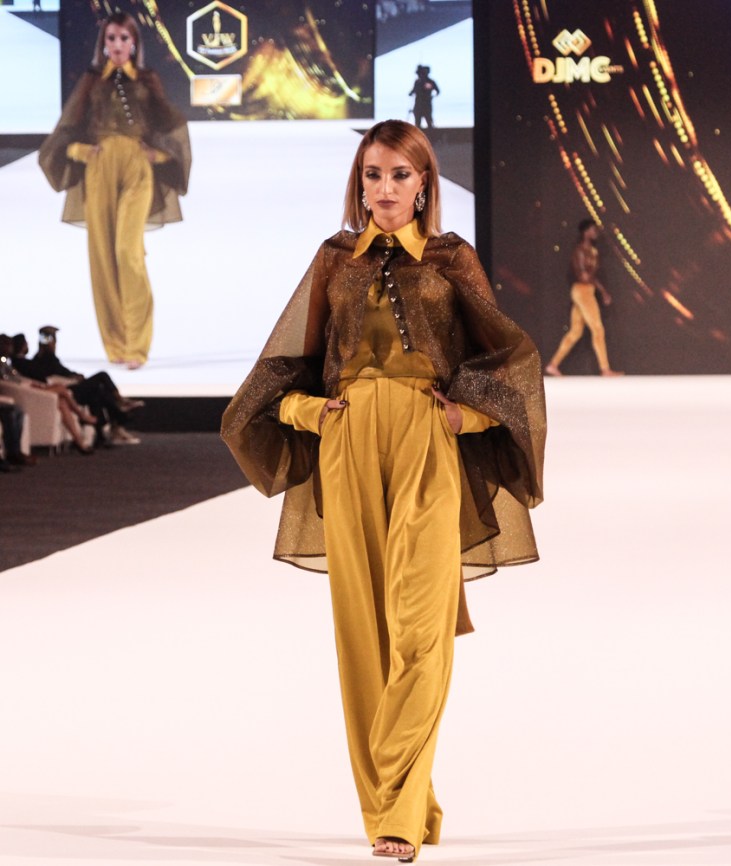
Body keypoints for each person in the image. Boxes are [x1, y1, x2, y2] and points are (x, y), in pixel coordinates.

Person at [222, 120, 545, 863]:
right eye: (373, 174)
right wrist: (308, 414)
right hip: (348, 444)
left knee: (420, 626)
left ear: (424, 183)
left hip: (426, 441)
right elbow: (288, 368)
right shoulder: (334, 259)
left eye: (401, 174)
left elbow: (508, 358)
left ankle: (397, 806)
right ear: (359, 182)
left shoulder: (451, 258)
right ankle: (396, 806)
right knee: (362, 633)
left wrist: (466, 417)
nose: (386, 188)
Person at [39, 12, 191, 370]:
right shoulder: (92, 81)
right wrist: (79, 151)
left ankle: (138, 345)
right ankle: (116, 345)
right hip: (99, 169)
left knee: (127, 252)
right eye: (111, 38)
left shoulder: (147, 79)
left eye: (124, 38)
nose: (118, 45)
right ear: (103, 43)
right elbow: (67, 128)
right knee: (103, 258)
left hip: (137, 168)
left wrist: (160, 155)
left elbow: (171, 124)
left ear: (134, 42)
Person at [26, 325, 142, 445]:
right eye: (52, 339)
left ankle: (106, 430)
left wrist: (74, 375)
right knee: (102, 376)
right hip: (67, 389)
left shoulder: (47, 358)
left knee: (98, 392)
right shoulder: (45, 358)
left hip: (68, 385)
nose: (55, 343)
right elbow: (57, 372)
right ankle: (119, 406)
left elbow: (62, 371)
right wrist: (72, 377)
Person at [545, 218, 623, 376]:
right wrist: (599, 288)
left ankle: (553, 365)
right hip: (582, 291)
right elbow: (583, 276)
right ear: (586, 232)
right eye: (593, 229)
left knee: (575, 331)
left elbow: (591, 276)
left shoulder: (593, 251)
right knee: (597, 328)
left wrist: (602, 291)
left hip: (587, 290)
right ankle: (605, 369)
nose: (596, 232)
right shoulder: (579, 251)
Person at [409, 65, 439, 130]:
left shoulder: (429, 82)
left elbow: (437, 91)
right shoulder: (417, 82)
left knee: (428, 120)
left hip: (426, 104)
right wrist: (411, 93)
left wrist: (431, 96)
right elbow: (414, 90)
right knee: (418, 122)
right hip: (418, 104)